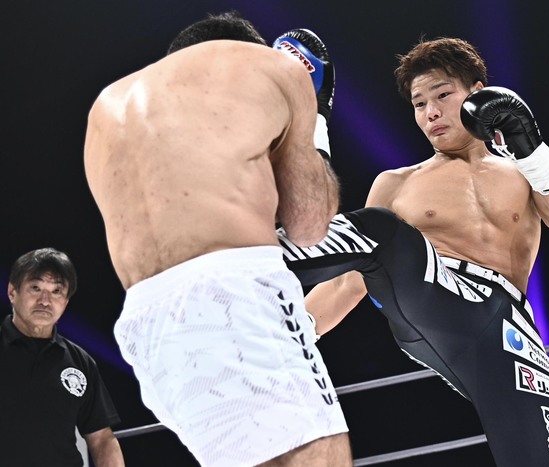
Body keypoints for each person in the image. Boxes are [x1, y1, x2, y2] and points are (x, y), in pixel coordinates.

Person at [277, 37, 549, 466]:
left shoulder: (524, 172)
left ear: (478, 93)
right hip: (431, 299)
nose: (430, 112)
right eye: (419, 103)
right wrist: (291, 334)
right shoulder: (398, 183)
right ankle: (246, 254)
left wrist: (532, 149)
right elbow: (349, 282)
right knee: (383, 231)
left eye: (442, 95)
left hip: (508, 330)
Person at [83, 10, 352, 467]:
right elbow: (309, 226)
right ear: (246, 50)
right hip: (233, 297)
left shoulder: (106, 108)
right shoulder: (272, 67)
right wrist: (316, 119)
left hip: (148, 333)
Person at [0, 248, 125, 467]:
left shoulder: (80, 362)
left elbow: (102, 439)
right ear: (12, 292)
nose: (45, 301)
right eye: (35, 288)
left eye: (57, 291)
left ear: (66, 302)